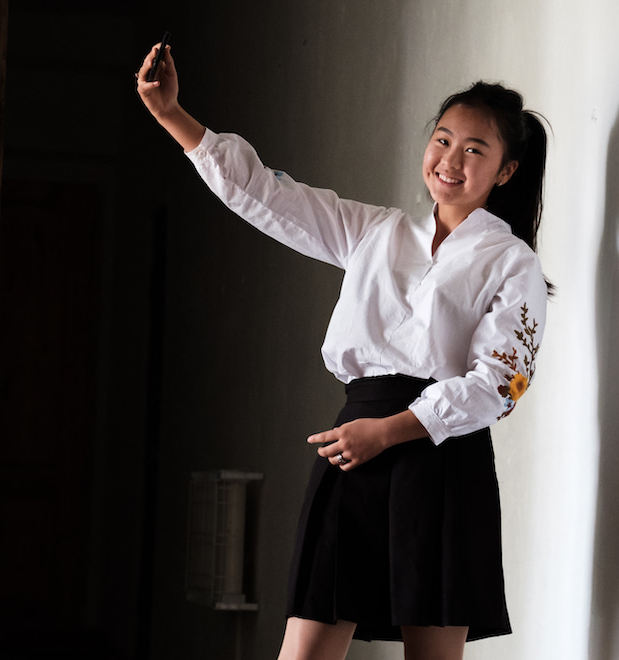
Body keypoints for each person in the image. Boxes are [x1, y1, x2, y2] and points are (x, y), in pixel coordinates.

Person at [135, 43, 550, 660]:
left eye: (474, 149)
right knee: (304, 649)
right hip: (354, 441)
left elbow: (499, 384)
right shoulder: (374, 231)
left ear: (507, 171)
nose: (450, 159)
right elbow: (270, 197)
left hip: (440, 457)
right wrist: (173, 116)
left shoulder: (512, 262)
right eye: (442, 139)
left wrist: (390, 432)